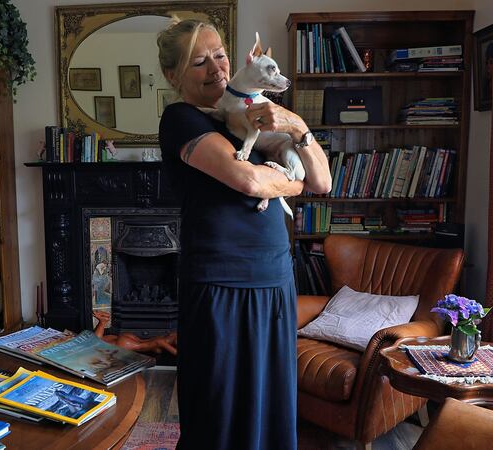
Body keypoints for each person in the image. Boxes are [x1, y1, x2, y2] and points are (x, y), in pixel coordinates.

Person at [156, 18, 331, 449]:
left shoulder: (253, 111)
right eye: (199, 61)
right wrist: (294, 184)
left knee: (271, 409)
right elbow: (249, 181)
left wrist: (295, 125)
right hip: (220, 284)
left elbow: (323, 181)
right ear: (173, 76)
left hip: (274, 278)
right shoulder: (181, 119)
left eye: (219, 55)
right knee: (218, 411)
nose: (216, 67)